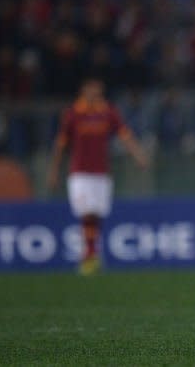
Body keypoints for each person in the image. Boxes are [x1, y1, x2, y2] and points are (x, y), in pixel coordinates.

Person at [47, 78, 148, 276]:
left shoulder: (107, 112)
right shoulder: (74, 113)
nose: (95, 94)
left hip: (101, 173)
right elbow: (61, 144)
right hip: (80, 173)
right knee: (86, 212)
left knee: (97, 214)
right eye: (91, 90)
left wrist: (138, 155)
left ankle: (92, 254)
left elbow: (124, 135)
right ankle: (90, 255)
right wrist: (54, 171)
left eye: (98, 90)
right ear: (83, 91)